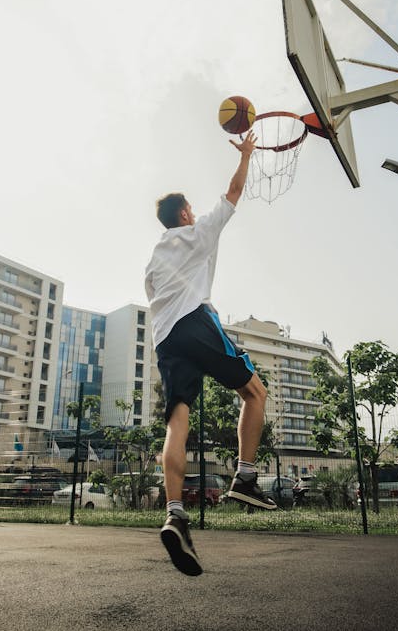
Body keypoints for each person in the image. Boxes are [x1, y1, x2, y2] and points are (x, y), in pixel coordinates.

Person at [144, 129, 276, 577]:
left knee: (177, 420)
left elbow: (153, 296)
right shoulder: (197, 232)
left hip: (164, 337)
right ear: (183, 212)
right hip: (194, 321)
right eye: (190, 209)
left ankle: (175, 513)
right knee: (255, 392)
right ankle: (246, 476)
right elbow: (234, 192)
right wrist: (246, 155)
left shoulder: (155, 257)